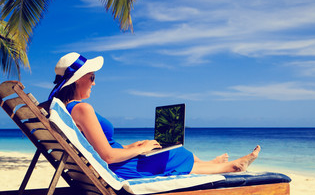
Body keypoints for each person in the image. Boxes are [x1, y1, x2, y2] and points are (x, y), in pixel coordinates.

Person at [48, 52, 261, 180]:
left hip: (118, 161)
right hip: (120, 168)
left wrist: (133, 146)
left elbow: (98, 147)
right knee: (178, 153)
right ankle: (230, 167)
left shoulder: (68, 109)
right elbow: (108, 156)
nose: (94, 82)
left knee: (166, 148)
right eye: (91, 77)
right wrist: (141, 149)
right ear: (77, 80)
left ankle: (218, 164)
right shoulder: (82, 109)